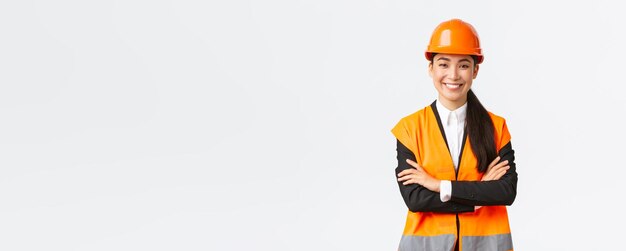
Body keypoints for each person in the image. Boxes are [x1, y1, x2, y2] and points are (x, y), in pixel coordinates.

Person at [391, 19, 518, 251]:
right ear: (431, 68)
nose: (453, 75)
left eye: (463, 65)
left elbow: (506, 191)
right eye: (443, 64)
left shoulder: (496, 127)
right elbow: (415, 199)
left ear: (475, 70)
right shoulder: (410, 129)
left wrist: (438, 185)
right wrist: (477, 198)